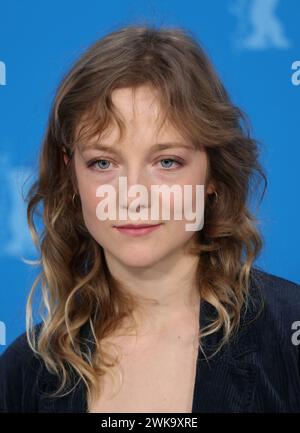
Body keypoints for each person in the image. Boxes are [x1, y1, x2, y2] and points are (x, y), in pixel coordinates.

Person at [0, 24, 299, 413]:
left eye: (167, 161)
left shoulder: (288, 336)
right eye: (103, 162)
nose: (133, 195)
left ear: (212, 174)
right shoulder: (24, 373)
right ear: (71, 173)